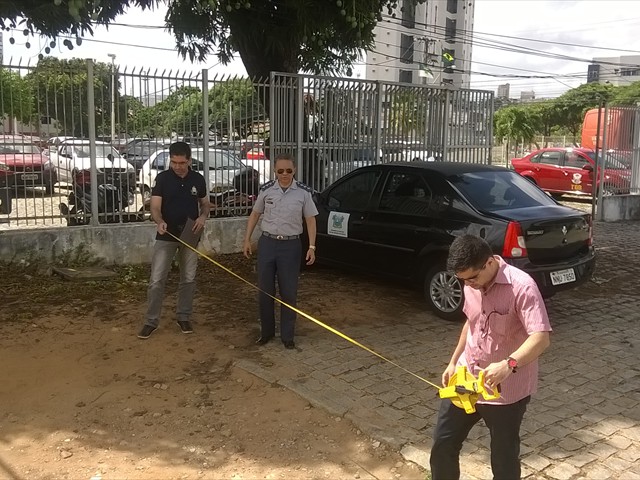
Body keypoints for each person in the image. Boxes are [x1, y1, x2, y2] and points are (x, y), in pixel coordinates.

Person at [430, 234, 552, 480]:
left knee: (503, 457)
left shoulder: (522, 287)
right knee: (443, 444)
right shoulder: (471, 283)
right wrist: (453, 362)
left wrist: (509, 365)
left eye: (472, 278)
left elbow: (541, 337)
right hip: (465, 381)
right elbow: (471, 323)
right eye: (463, 280)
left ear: (489, 262)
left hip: (505, 391)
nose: (469, 284)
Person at [243, 153, 318, 350]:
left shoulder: (303, 193)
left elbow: (310, 220)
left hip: (290, 247)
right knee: (265, 291)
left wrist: (312, 247)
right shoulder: (267, 190)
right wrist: (247, 239)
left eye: (289, 170)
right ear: (275, 171)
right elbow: (255, 214)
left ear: (295, 170)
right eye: (281, 171)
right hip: (268, 244)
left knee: (289, 292)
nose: (285, 174)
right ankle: (266, 332)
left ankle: (287, 336)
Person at [138, 141, 210, 339]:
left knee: (188, 278)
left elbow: (205, 204)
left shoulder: (198, 179)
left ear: (189, 160)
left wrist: (203, 217)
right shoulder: (163, 179)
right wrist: (159, 221)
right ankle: (151, 321)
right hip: (166, 234)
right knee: (156, 280)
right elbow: (155, 208)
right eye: (174, 162)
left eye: (182, 163)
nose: (178, 166)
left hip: (190, 234)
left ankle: (184, 316)